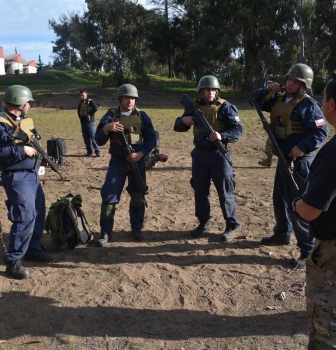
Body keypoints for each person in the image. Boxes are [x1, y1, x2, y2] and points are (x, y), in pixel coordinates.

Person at [248, 63, 328, 268]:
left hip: (299, 163)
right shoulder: (279, 98)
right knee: (279, 199)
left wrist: (301, 148)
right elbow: (253, 100)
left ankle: (307, 249)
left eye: (296, 81)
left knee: (298, 206)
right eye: (289, 79)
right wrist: (266, 90)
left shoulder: (308, 105)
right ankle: (282, 233)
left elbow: (321, 132)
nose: (290, 83)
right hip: (283, 160)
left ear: (304, 85)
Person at [293, 73, 336, 349]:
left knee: (326, 334)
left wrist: (297, 204)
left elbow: (310, 211)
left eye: (323, 99)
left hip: (332, 253)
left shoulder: (332, 153)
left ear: (331, 105)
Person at [174, 75, 243, 242]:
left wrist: (222, 135)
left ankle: (230, 224)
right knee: (200, 190)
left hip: (220, 154)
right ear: (201, 91)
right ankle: (204, 222)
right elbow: (178, 127)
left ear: (217, 91)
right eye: (207, 89)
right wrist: (185, 120)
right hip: (200, 154)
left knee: (225, 191)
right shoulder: (193, 106)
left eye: (213, 89)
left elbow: (238, 130)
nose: (210, 92)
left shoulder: (226, 107)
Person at [0, 85, 52, 280]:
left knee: (38, 213)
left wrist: (38, 155)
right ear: (21, 103)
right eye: (28, 102)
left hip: (31, 174)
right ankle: (13, 261)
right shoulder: (2, 123)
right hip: (16, 176)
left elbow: (28, 142)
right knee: (24, 216)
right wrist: (23, 152)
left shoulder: (19, 121)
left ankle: (33, 247)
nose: (30, 105)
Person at [95, 84, 156, 245]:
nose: (130, 101)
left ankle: (137, 229)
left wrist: (141, 154)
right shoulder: (110, 116)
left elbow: (151, 140)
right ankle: (106, 233)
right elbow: (98, 140)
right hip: (118, 161)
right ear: (120, 99)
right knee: (109, 198)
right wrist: (107, 129)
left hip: (138, 161)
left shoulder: (143, 116)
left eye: (133, 98)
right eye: (127, 98)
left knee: (137, 196)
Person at [77, 89, 101, 157]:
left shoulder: (90, 101)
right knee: (86, 138)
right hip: (83, 122)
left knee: (93, 137)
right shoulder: (81, 102)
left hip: (90, 123)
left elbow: (95, 108)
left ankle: (97, 151)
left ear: (86, 95)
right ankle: (89, 152)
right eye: (80, 95)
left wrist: (89, 114)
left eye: (83, 95)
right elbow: (78, 110)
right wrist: (80, 117)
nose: (81, 97)